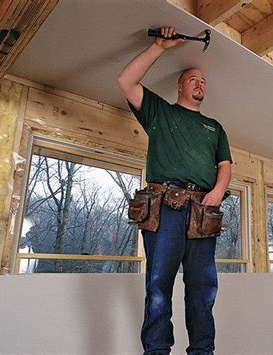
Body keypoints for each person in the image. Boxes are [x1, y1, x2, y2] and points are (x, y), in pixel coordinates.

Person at [118, 26, 232, 355]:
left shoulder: (215, 127)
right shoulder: (160, 113)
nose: (201, 84)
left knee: (202, 291)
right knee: (158, 287)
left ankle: (202, 352)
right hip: (164, 207)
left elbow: (225, 166)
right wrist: (159, 47)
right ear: (180, 86)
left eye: (204, 81)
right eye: (194, 79)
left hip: (203, 212)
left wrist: (216, 193)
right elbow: (126, 81)